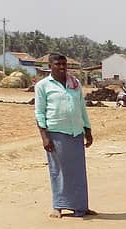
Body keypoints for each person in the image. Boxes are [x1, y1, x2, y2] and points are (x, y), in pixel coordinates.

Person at [34, 53, 96, 218]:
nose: (62, 67)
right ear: (50, 66)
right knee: (59, 170)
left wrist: (87, 130)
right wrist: (44, 137)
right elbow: (39, 112)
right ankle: (58, 206)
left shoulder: (75, 84)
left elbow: (82, 108)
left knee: (78, 171)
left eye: (64, 64)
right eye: (58, 64)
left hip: (76, 132)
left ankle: (81, 206)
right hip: (56, 132)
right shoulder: (43, 86)